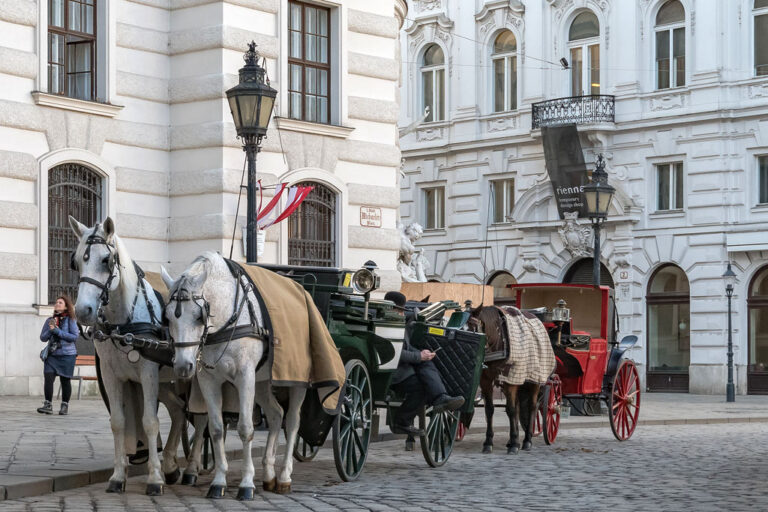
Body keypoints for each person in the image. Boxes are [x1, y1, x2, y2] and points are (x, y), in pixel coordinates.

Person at [384, 291, 465, 436]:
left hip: (398, 366)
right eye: (400, 311)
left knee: (426, 362)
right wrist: (418, 356)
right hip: (393, 371)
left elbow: (405, 348)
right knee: (422, 387)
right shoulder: (387, 325)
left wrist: (422, 354)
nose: (402, 315)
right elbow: (394, 353)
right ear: (392, 309)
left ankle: (441, 397)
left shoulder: (397, 322)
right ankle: (402, 421)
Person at [38, 296, 79, 415]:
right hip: (52, 354)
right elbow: (42, 338)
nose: (57, 304)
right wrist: (50, 331)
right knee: (48, 378)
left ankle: (64, 405)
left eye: (60, 302)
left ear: (66, 306)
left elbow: (74, 337)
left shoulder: (71, 320)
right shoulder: (50, 320)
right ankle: (48, 404)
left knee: (65, 381)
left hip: (67, 355)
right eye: (56, 302)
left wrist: (58, 332)